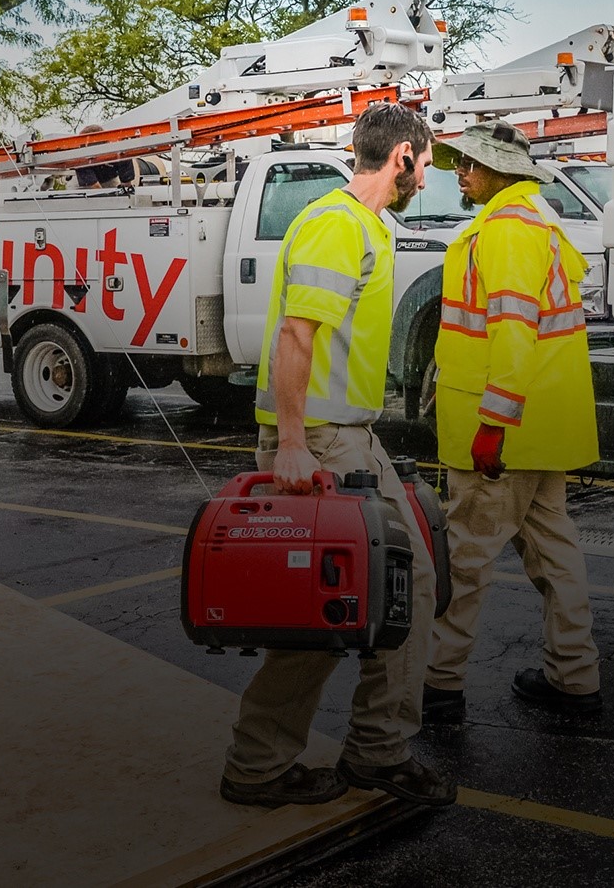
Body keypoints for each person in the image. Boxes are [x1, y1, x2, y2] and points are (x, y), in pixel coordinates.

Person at [220, 102, 456, 809]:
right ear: (404, 158)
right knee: (371, 596)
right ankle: (357, 754)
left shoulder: (362, 226)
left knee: (342, 601)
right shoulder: (336, 225)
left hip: (344, 435)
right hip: (322, 442)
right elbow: (296, 336)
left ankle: (274, 761)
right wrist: (292, 445)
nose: (433, 171)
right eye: (429, 157)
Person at [420, 121, 603, 723]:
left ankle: (441, 688)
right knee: (555, 555)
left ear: (505, 172)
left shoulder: (504, 229)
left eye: (472, 164)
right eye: (461, 163)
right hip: (541, 427)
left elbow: (513, 327)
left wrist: (493, 421)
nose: (460, 173)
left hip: (502, 430)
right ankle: (575, 678)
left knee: (466, 558)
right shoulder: (538, 219)